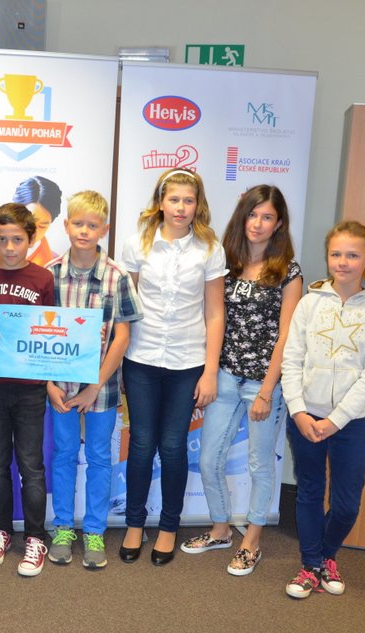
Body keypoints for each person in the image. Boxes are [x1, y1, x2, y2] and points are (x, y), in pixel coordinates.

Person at [184, 185, 302, 575]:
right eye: (253, 214)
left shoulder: (288, 271)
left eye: (267, 217)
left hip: (263, 384)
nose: (258, 223)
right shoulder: (226, 262)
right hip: (224, 376)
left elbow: (286, 336)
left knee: (259, 464)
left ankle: (252, 541)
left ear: (279, 223)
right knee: (208, 459)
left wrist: (267, 391)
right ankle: (220, 529)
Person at [119, 169, 225, 566]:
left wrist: (210, 371)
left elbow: (215, 313)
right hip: (141, 360)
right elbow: (125, 307)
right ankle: (134, 524)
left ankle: (168, 527)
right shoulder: (137, 244)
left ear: (198, 205)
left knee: (174, 446)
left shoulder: (209, 248)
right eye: (174, 199)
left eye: (189, 200)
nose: (181, 207)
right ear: (160, 202)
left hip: (188, 363)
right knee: (142, 445)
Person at [280, 220, 365, 599]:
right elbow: (291, 360)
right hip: (305, 417)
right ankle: (310, 564)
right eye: (336, 254)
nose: (343, 262)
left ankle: (326, 555)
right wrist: (298, 411)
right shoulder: (309, 304)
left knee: (346, 504)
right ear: (328, 257)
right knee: (310, 492)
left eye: (353, 255)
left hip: (350, 423)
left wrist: (335, 420)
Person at [45, 191, 143, 569]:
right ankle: (63, 528)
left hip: (101, 389)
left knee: (100, 457)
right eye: (77, 223)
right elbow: (40, 336)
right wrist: (48, 383)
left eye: (92, 225)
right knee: (64, 454)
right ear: (66, 225)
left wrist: (95, 386)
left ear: (104, 230)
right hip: (60, 388)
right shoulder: (50, 274)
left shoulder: (117, 277)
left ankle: (95, 531)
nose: (84, 231)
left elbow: (122, 338)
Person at [0, 203, 55, 576]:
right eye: (2, 239)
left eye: (17, 240)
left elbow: (50, 331)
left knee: (31, 465)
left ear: (31, 239)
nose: (9, 248)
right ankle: (1, 531)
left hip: (29, 388)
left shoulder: (42, 278)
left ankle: (35, 537)